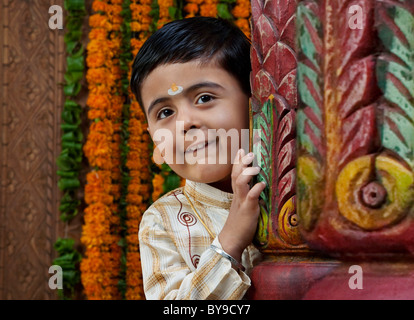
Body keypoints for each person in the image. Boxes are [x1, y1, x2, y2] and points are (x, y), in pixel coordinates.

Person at [130, 17, 266, 300]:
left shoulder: (291, 189)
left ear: (254, 100)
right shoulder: (161, 222)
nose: (185, 123)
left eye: (204, 98)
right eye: (165, 113)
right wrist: (230, 242)